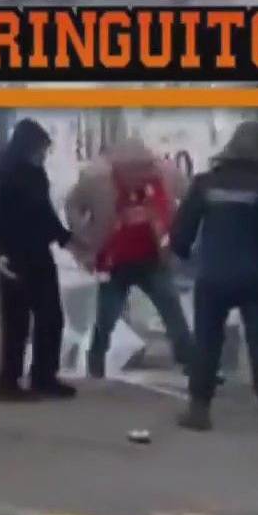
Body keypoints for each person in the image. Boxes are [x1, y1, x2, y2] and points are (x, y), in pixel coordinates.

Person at [169, 122, 258, 433]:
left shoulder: (204, 185)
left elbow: (180, 236)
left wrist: (191, 260)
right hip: (257, 276)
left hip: (213, 276)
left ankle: (199, 410)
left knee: (207, 342)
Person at [66, 140, 195, 380]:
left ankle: (189, 361)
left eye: (145, 167)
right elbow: (73, 205)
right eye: (134, 169)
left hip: (152, 258)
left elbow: (191, 198)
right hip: (115, 260)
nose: (141, 174)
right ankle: (96, 362)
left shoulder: (165, 173)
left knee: (171, 311)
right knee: (107, 317)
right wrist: (84, 240)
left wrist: (176, 230)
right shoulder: (98, 180)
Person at [0, 118, 78, 401]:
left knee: (51, 317)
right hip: (12, 257)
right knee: (17, 323)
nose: (42, 155)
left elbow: (44, 215)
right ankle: (7, 383)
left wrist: (66, 239)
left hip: (38, 254)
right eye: (40, 149)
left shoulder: (35, 175)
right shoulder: (1, 173)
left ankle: (43, 376)